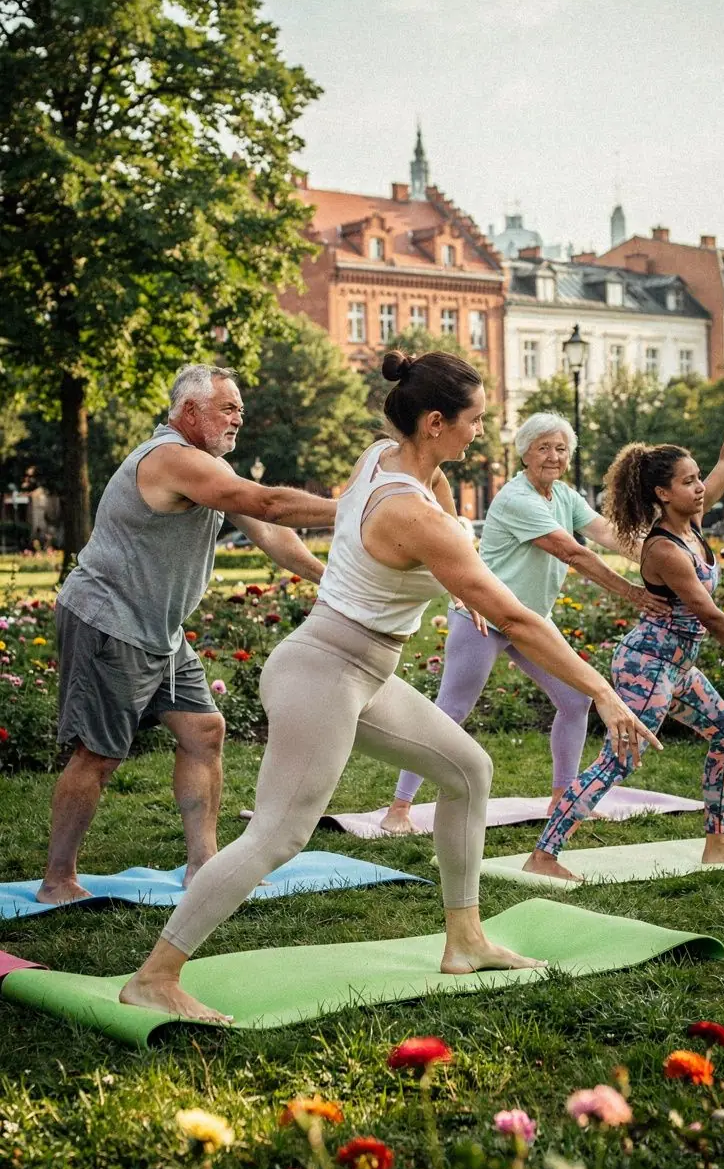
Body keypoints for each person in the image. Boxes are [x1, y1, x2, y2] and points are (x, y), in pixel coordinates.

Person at [120, 349, 660, 1022]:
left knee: (468, 769)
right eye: (476, 420)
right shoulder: (413, 512)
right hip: (322, 670)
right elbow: (517, 618)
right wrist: (603, 694)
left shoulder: (382, 456)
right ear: (436, 421)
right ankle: (156, 975)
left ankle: (464, 941)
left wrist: (446, 568)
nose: (482, 432)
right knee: (279, 836)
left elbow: (418, 529)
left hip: (361, 671)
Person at [39, 363, 335, 906]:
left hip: (162, 630)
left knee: (203, 731)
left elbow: (270, 530)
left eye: (240, 409)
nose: (238, 419)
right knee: (98, 756)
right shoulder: (172, 460)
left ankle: (204, 866)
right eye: (228, 408)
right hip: (110, 620)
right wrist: (366, 508)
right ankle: (58, 879)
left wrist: (329, 578)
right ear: (189, 411)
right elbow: (267, 502)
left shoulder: (211, 467)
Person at [521, 348, 724, 881]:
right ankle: (544, 854)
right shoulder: (665, 548)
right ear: (663, 493)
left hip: (678, 667)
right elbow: (711, 617)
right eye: (689, 481)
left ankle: (719, 840)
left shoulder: (691, 517)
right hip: (646, 665)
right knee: (618, 761)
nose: (700, 486)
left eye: (698, 479)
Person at [380, 412, 670, 834]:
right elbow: (573, 553)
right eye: (543, 448)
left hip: (531, 620)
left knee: (575, 699)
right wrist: (635, 594)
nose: (553, 456)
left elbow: (609, 535)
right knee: (451, 712)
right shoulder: (517, 499)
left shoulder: (565, 497)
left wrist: (665, 557)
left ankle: (563, 798)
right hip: (485, 615)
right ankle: (398, 809)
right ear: (525, 454)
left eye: (561, 449)